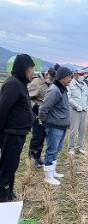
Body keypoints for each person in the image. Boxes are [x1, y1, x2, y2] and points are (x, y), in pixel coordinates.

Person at [0, 54, 35, 202]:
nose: (32, 73)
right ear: (22, 69)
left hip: (18, 134)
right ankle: (3, 198)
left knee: (12, 166)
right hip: (11, 134)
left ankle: (9, 193)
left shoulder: (20, 84)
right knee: (7, 168)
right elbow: (2, 109)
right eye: (30, 69)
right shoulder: (13, 84)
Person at [39, 67, 72, 186]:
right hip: (54, 126)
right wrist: (46, 122)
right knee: (51, 150)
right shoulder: (54, 90)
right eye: (69, 77)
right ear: (63, 77)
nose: (70, 79)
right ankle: (48, 177)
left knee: (56, 150)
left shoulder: (62, 89)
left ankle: (52, 172)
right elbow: (43, 109)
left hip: (61, 126)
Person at [27, 70, 53, 168]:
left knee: (42, 136)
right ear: (46, 75)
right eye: (50, 79)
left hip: (45, 114)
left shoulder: (48, 84)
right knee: (37, 136)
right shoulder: (36, 82)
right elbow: (26, 96)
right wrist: (35, 106)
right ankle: (33, 158)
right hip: (36, 113)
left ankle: (38, 156)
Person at [67, 70, 88, 155]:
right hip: (75, 111)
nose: (82, 76)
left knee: (82, 130)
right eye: (80, 75)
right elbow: (69, 98)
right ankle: (71, 147)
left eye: (83, 75)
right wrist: (76, 106)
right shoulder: (70, 85)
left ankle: (80, 147)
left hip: (84, 111)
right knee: (73, 130)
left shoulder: (84, 85)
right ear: (75, 75)